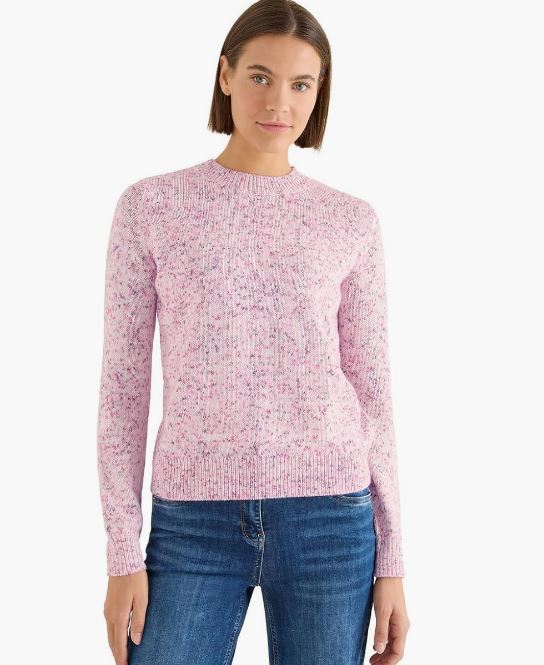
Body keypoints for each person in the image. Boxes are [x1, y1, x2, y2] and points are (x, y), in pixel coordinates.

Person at [97, 1, 410, 663]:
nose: (279, 102)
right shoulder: (151, 207)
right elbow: (122, 391)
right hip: (192, 523)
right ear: (225, 75)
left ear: (319, 93)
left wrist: (394, 561)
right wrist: (123, 552)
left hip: (331, 520)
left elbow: (373, 394)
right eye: (260, 77)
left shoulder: (350, 221)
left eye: (301, 84)